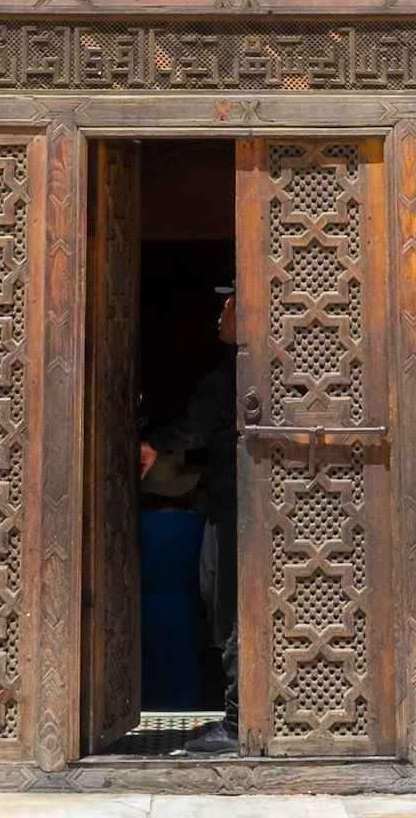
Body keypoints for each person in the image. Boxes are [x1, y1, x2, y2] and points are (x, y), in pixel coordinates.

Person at [140, 285, 239, 755]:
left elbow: (193, 425)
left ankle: (240, 724)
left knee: (229, 608)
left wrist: (154, 443)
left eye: (231, 302)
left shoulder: (233, 372)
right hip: (240, 509)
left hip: (236, 513)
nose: (221, 311)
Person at [138, 455, 205, 711]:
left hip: (141, 607)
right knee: (182, 673)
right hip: (182, 608)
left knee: (148, 671)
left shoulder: (136, 524)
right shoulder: (192, 524)